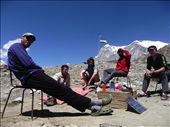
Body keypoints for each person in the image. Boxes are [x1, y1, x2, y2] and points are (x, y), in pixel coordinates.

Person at [7, 32, 113, 116]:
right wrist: (40, 69)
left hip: (31, 76)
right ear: (23, 37)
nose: (30, 41)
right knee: (61, 89)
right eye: (28, 38)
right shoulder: (17, 46)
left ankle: (92, 106)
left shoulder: (20, 49)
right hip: (30, 76)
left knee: (61, 91)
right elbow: (27, 63)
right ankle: (93, 104)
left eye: (32, 41)